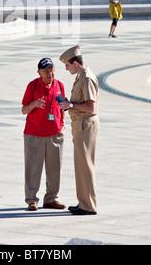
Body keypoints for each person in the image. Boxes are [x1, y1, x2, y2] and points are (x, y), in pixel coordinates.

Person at [58, 46, 99, 215]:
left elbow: (91, 106)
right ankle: (83, 202)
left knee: (86, 165)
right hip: (80, 124)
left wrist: (71, 105)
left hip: (85, 124)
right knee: (81, 165)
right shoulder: (80, 77)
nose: (66, 68)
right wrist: (70, 104)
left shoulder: (87, 78)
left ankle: (88, 206)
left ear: (75, 63)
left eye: (67, 65)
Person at [21, 57, 66, 211]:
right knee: (33, 168)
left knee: (55, 168)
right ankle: (32, 200)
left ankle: (51, 199)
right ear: (39, 72)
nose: (49, 73)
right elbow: (23, 110)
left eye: (52, 69)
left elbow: (62, 107)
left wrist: (62, 124)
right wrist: (34, 104)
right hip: (35, 134)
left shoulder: (59, 85)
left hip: (55, 134)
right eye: (46, 71)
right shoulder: (32, 86)